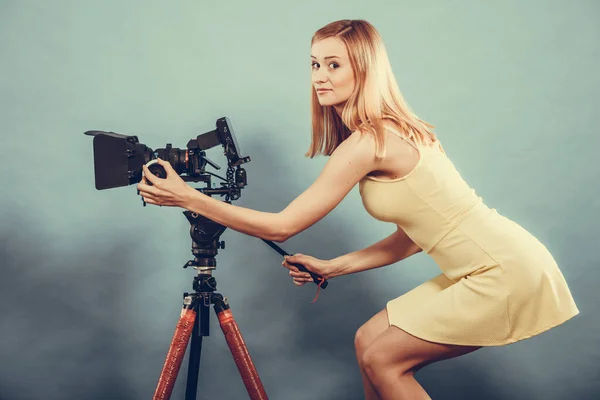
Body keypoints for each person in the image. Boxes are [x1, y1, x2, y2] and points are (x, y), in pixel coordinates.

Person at [136, 19, 580, 400]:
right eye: (315, 64)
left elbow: (284, 225)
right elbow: (415, 235)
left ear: (364, 70)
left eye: (334, 65)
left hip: (503, 271)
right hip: (487, 266)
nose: (320, 76)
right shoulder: (387, 132)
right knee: (368, 339)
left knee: (384, 359)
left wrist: (189, 198)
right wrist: (336, 266)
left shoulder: (370, 142)